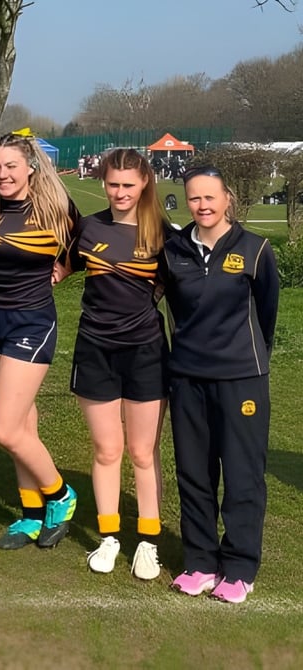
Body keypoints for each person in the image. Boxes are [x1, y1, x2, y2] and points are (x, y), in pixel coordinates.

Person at [162, 165, 278, 603]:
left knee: (243, 474)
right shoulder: (174, 250)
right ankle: (200, 562)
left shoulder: (255, 248)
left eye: (211, 197)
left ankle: (240, 566)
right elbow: (173, 307)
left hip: (241, 378)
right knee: (194, 472)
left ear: (227, 198)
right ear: (186, 201)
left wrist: (247, 358)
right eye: (194, 198)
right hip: (188, 377)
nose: (203, 205)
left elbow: (266, 310)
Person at [63, 148, 172, 579]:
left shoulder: (162, 233)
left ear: (144, 182)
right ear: (102, 183)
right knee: (107, 450)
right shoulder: (88, 229)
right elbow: (56, 269)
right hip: (94, 351)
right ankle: (109, 537)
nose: (120, 192)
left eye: (128, 184)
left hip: (146, 353)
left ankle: (148, 542)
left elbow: (179, 287)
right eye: (113, 184)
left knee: (143, 452)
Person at [0, 129, 80, 551]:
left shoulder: (55, 208)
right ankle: (31, 514)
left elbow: (83, 248)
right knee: (23, 422)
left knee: (4, 428)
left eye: (10, 166)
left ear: (30, 167)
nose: (2, 174)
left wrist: (64, 270)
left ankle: (60, 495)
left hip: (31, 324)